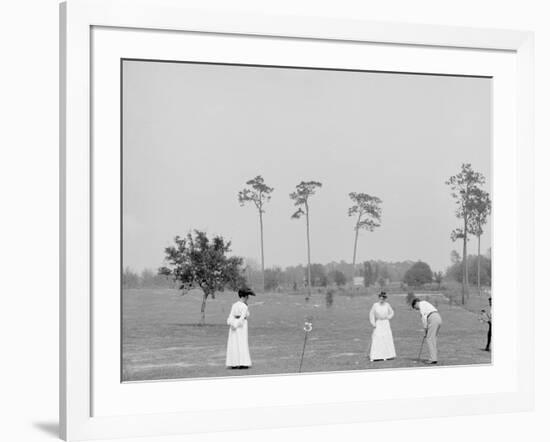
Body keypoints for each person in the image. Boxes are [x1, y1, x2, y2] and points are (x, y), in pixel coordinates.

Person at [226, 288, 255, 369]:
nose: (248, 298)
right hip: (241, 326)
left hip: (234, 325)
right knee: (242, 343)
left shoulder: (234, 305)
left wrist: (232, 323)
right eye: (247, 296)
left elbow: (231, 316)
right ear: (245, 296)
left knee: (234, 343)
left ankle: (234, 363)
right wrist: (236, 324)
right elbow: (243, 317)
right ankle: (243, 363)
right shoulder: (244, 306)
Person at [411, 297, 442, 364]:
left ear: (416, 303)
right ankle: (434, 358)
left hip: (433, 318)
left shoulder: (421, 305)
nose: (416, 309)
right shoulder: (425, 303)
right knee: (432, 339)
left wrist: (425, 329)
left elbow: (424, 318)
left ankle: (432, 359)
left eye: (415, 307)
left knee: (429, 339)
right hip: (438, 317)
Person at [369, 292, 396, 361]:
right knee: (378, 337)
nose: (382, 299)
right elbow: (371, 314)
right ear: (379, 297)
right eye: (381, 297)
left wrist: (388, 317)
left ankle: (388, 355)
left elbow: (392, 312)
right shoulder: (375, 305)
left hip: (386, 323)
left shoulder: (387, 305)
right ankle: (376, 356)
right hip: (378, 323)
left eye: (383, 298)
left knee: (386, 337)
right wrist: (373, 323)